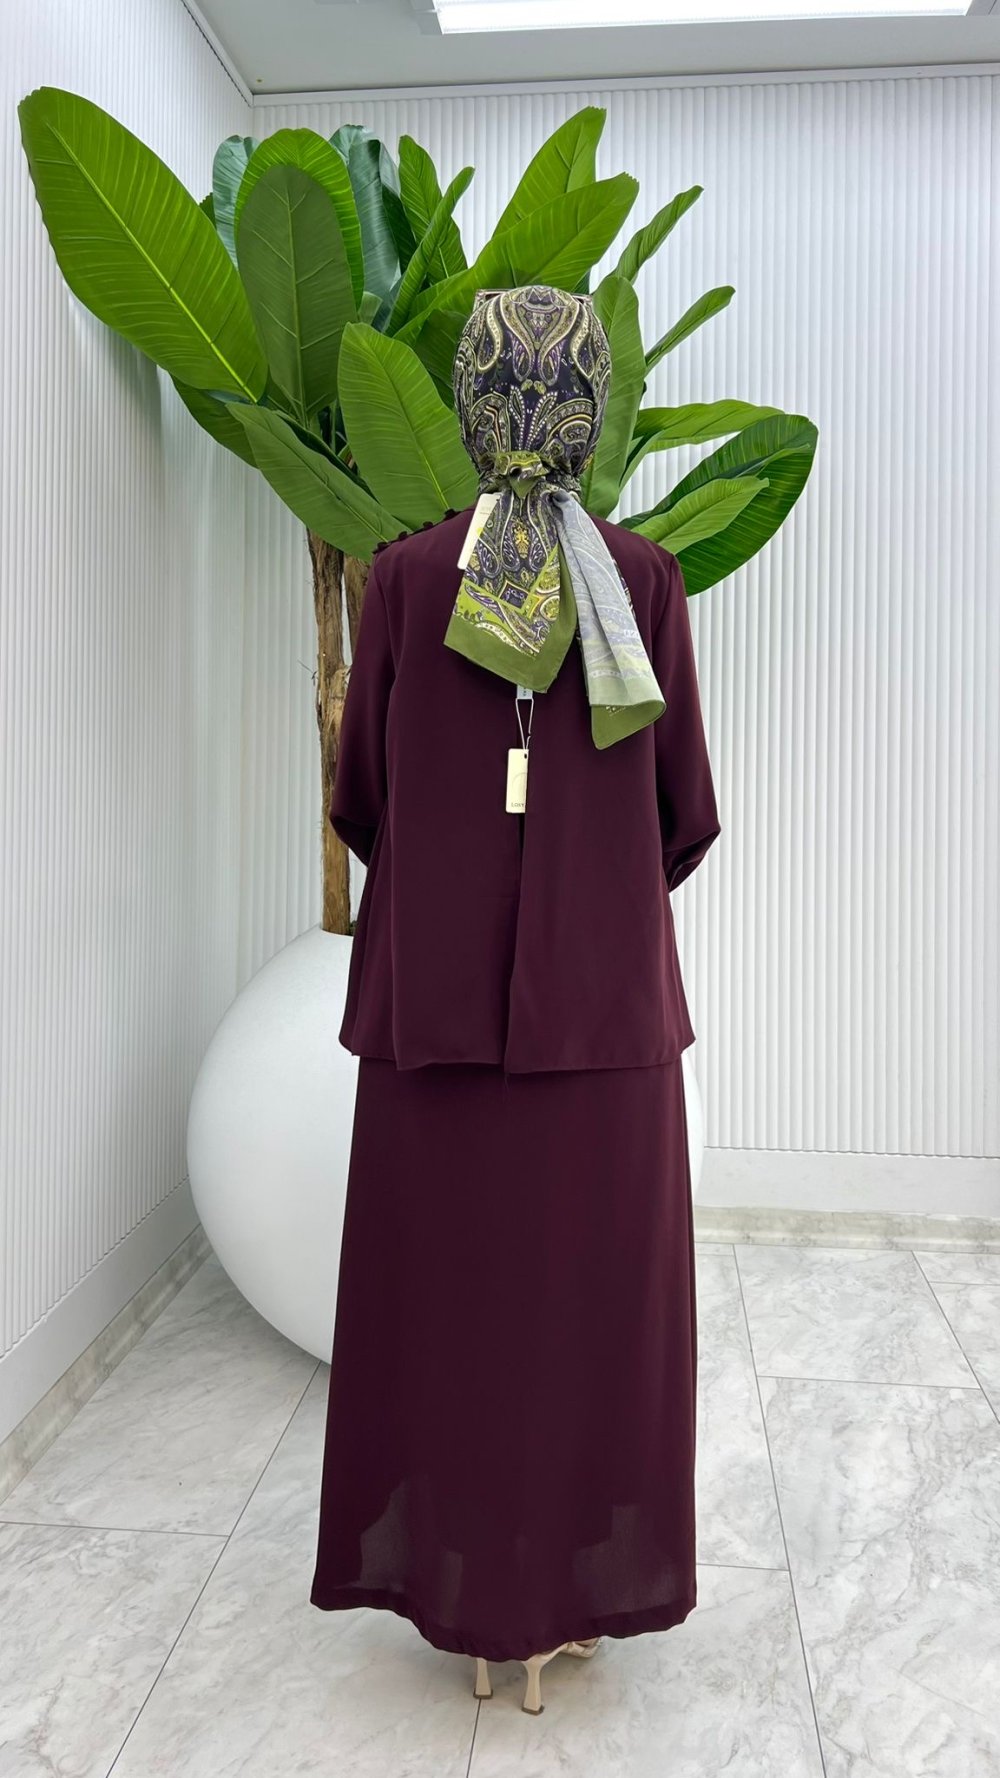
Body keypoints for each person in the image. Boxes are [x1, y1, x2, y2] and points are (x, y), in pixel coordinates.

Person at [310, 283, 721, 1715]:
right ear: (592, 405)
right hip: (601, 1024)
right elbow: (681, 816)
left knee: (451, 1305)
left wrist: (461, 890)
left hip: (433, 1022)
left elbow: (364, 799)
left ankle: (469, 1591)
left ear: (471, 402)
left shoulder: (403, 579)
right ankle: (571, 1589)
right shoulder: (643, 581)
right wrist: (582, 904)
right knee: (589, 1309)